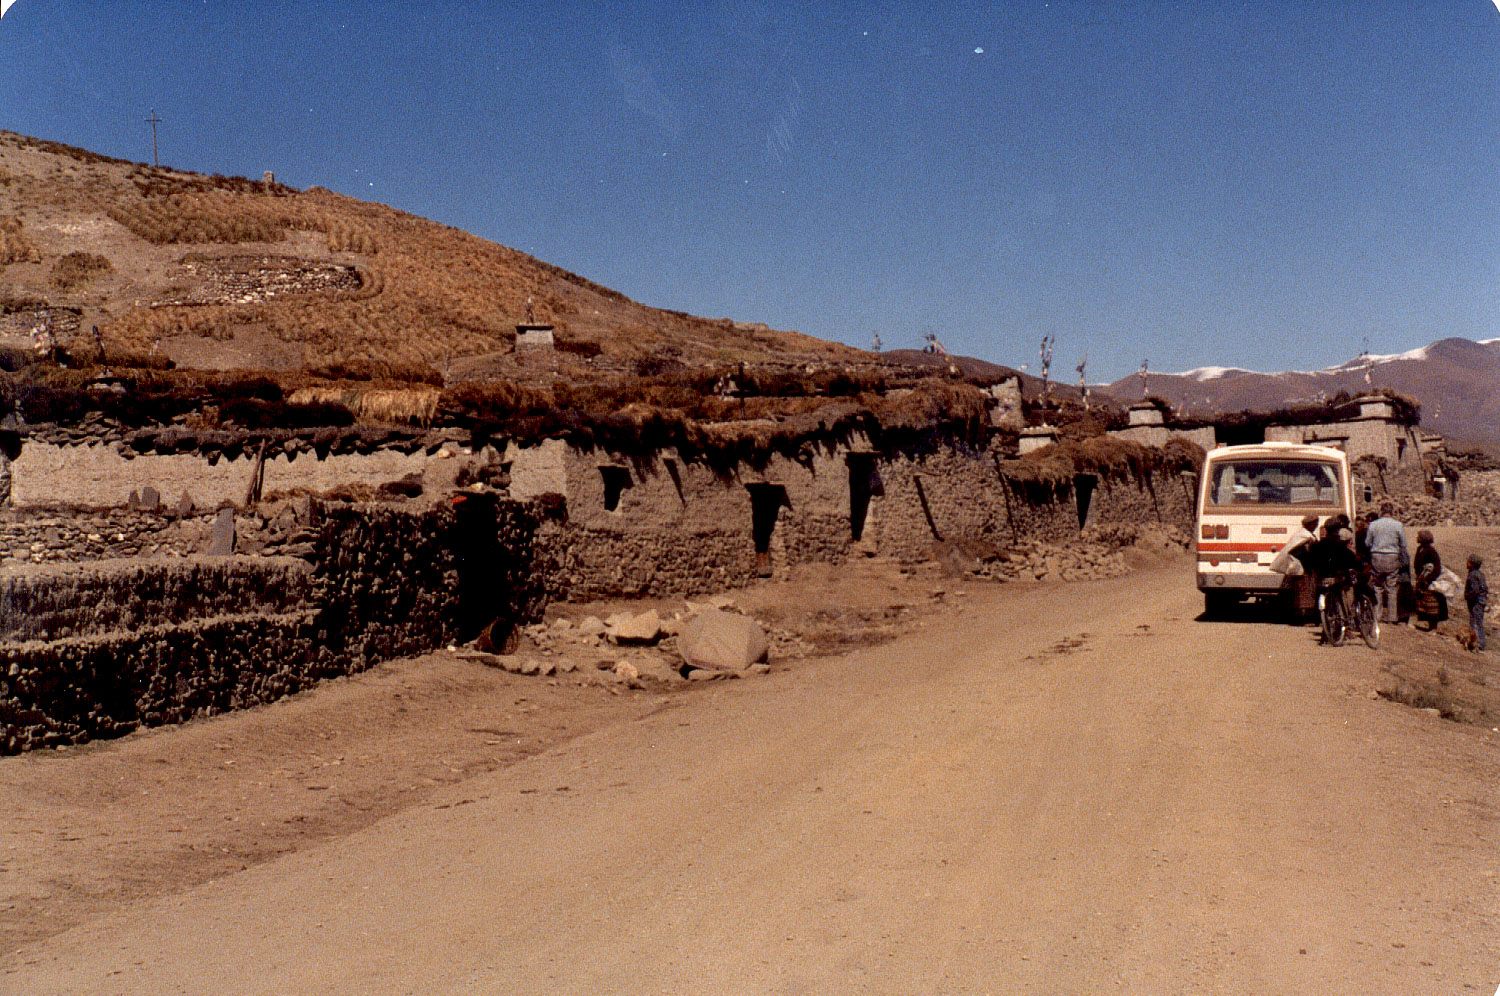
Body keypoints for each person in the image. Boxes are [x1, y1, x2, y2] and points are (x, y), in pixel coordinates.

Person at [1364, 502, 1408, 625]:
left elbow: (1367, 543)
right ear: (1392, 511)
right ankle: (1392, 616)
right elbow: (1403, 544)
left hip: (1377, 556)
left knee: (1377, 586)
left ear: (1381, 511)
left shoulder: (1373, 525)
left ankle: (1377, 615)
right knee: (1391, 587)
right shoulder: (1398, 525)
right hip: (1392, 556)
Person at [1412, 530, 1447, 630]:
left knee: (1432, 605)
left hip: (1429, 581)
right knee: (1423, 603)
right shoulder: (1420, 549)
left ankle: (1433, 627)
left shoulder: (1431, 551)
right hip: (1421, 579)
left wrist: (1429, 579)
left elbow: (1437, 567)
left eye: (1418, 536)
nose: (1417, 538)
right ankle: (1426, 624)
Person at [1466, 554, 1488, 652]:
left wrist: (1469, 597)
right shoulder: (1480, 574)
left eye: (1468, 562)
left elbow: (1475, 590)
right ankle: (1479, 642)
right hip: (1481, 601)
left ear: (1472, 564)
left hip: (1476, 602)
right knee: (1478, 621)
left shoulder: (1473, 575)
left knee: (1475, 622)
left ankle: (1477, 644)